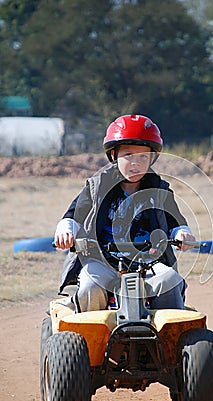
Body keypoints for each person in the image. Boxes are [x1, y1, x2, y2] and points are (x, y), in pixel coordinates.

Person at [54, 114, 196, 312]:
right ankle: (91, 336)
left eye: (143, 157)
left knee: (170, 280)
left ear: (152, 159)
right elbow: (74, 216)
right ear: (113, 155)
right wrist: (66, 229)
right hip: (102, 260)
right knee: (90, 285)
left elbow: (175, 222)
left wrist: (181, 233)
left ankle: (170, 336)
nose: (135, 163)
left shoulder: (160, 189)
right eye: (128, 155)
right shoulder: (97, 186)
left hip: (149, 263)